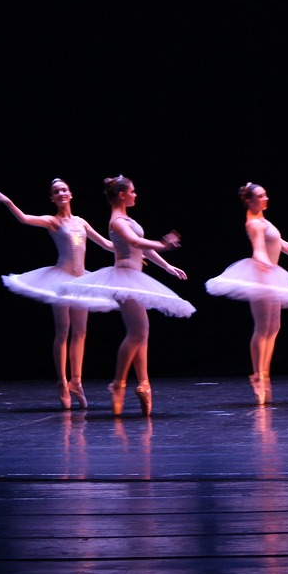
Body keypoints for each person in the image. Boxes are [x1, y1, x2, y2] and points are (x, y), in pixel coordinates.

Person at [58, 175, 195, 415]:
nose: (135, 195)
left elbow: (140, 247)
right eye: (132, 191)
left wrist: (166, 266)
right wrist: (164, 244)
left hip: (134, 278)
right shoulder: (117, 221)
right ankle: (118, 383)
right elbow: (135, 240)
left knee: (141, 332)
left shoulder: (126, 218)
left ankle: (143, 383)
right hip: (123, 279)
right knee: (138, 332)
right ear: (122, 195)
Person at [0, 180, 118, 409]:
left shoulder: (81, 222)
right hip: (60, 280)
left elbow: (106, 244)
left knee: (81, 331)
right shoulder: (53, 222)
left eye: (64, 189)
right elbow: (25, 219)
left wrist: (129, 252)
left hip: (81, 281)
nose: (61, 193)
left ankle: (76, 382)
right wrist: (7, 201)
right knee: (63, 330)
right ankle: (62, 382)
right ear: (52, 198)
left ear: (71, 193)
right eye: (56, 192)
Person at [205, 182, 288, 405]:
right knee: (263, 327)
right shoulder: (253, 223)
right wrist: (264, 264)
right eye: (261, 196)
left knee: (274, 327)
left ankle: (265, 373)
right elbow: (259, 249)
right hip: (261, 274)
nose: (266, 198)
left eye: (265, 195)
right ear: (249, 201)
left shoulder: (264, 220)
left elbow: (283, 244)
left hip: (270, 272)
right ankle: (258, 375)